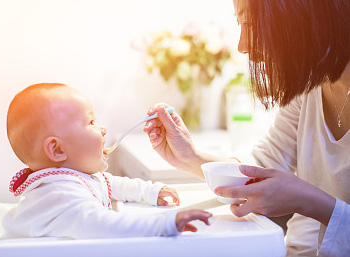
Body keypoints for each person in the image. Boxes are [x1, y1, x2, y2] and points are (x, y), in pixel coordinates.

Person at [143, 0, 350, 256]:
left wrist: (308, 201)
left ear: (301, 16)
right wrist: (191, 157)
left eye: (251, 25)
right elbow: (265, 164)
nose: (242, 46)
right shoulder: (310, 85)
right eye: (240, 24)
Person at [2, 83, 212, 240]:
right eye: (91, 122)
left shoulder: (73, 178)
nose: (102, 129)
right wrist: (165, 223)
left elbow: (108, 184)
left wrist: (149, 192)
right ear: (57, 149)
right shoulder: (59, 197)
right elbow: (108, 226)